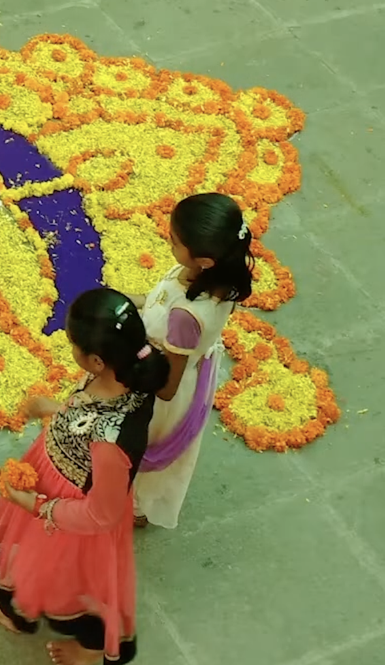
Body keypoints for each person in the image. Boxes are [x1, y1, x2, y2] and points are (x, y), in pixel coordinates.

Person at [0, 288, 166, 665]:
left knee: (72, 585)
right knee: (21, 561)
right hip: (50, 483)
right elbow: (85, 415)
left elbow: (100, 514)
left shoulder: (111, 438)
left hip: (70, 515)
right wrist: (53, 410)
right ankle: (11, 612)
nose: (71, 351)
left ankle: (90, 649)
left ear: (97, 361)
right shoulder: (128, 372)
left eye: (73, 345)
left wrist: (36, 505)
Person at [131, 193, 252, 530]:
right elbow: (159, 301)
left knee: (140, 448)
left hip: (159, 386)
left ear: (205, 260)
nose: (168, 243)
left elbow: (167, 388)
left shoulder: (187, 316)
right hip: (175, 358)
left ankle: (135, 506)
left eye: (173, 241)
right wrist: (134, 302)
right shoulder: (205, 275)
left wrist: (130, 357)